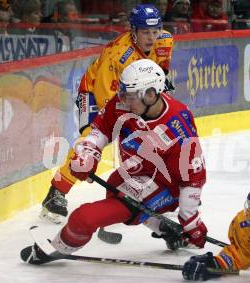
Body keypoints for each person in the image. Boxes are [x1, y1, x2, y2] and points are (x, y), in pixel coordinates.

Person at [21, 59, 208, 264]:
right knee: (115, 185)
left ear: (151, 95)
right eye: (122, 93)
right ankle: (163, 227)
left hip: (166, 186)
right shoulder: (126, 102)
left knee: (84, 218)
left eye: (130, 96)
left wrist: (191, 221)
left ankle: (60, 247)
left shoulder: (177, 125)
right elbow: (102, 128)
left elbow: (193, 178)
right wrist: (89, 153)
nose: (123, 100)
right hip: (135, 173)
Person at [39, 4, 174, 224]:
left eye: (155, 31)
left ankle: (156, 190)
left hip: (133, 94)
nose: (152, 37)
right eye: (145, 32)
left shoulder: (165, 39)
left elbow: (162, 67)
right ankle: (56, 192)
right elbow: (108, 103)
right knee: (91, 140)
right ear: (133, 31)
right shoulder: (119, 56)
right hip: (94, 93)